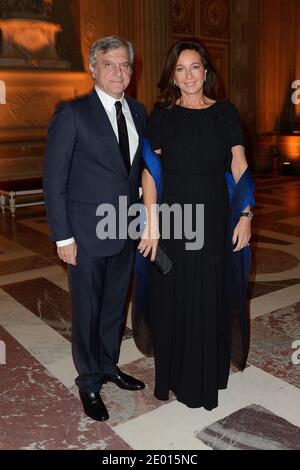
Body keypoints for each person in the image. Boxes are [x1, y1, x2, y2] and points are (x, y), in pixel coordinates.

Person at [137, 38, 255, 411]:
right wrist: (151, 223)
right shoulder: (162, 116)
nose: (188, 75)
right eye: (180, 68)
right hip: (175, 220)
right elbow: (150, 173)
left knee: (209, 295)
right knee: (174, 296)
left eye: (195, 67)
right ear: (173, 76)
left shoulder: (225, 113)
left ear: (206, 71)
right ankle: (175, 374)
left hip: (216, 217)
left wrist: (246, 214)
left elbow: (239, 165)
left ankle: (205, 377)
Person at [43, 36, 146, 422]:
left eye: (125, 65)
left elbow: (132, 173)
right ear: (93, 68)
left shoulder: (137, 111)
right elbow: (55, 180)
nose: (119, 72)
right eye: (110, 64)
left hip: (124, 229)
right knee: (86, 309)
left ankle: (108, 366)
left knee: (114, 308)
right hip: (85, 233)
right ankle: (88, 381)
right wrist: (63, 236)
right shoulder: (72, 112)